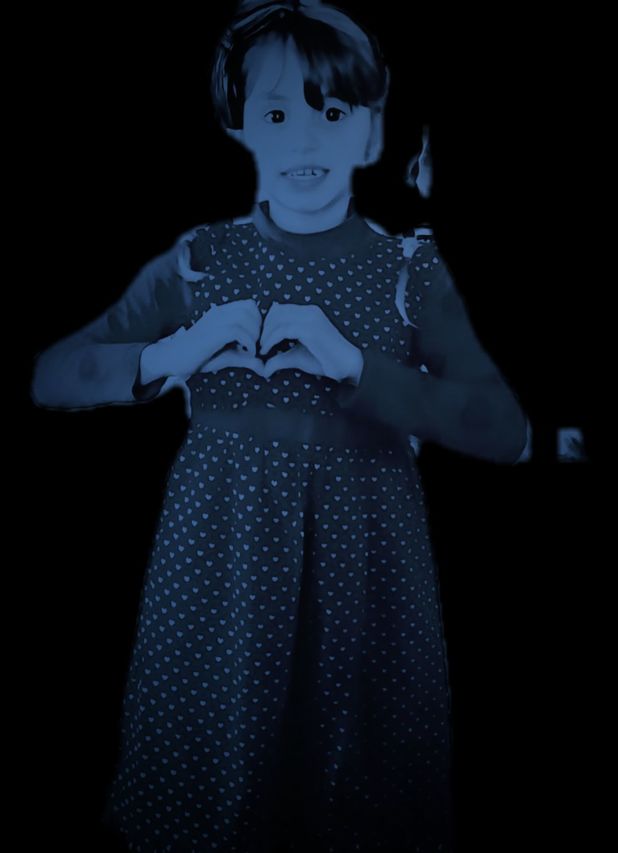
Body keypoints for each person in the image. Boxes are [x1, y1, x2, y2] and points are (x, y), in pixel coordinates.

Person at [31, 1, 531, 850]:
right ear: (239, 127)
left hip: (367, 579)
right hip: (217, 572)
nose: (304, 139)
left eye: (331, 112)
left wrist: (356, 366)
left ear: (370, 130)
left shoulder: (411, 271)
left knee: (356, 790)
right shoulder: (200, 262)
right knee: (211, 781)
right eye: (276, 115)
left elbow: (506, 429)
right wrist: (181, 348)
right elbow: (52, 374)